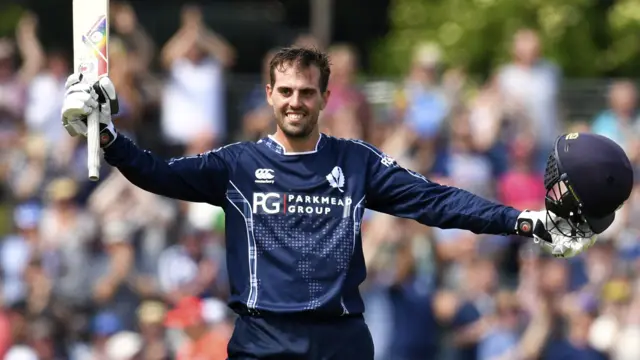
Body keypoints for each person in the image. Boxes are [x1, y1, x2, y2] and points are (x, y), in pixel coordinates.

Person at [60, 47, 633, 359]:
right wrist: (109, 135)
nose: (295, 101)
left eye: (307, 92)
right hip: (264, 341)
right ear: (269, 94)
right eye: (285, 91)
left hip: (341, 341)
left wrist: (522, 219)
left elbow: (435, 202)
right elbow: (156, 174)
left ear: (325, 98)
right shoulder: (235, 164)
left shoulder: (355, 161)